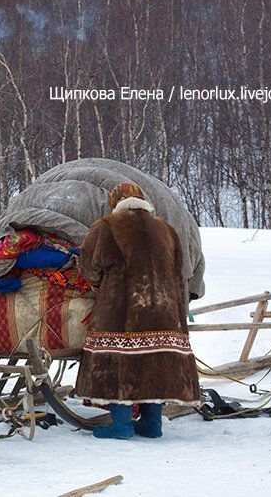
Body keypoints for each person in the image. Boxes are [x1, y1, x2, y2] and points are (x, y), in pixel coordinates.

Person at [76, 182, 201, 439]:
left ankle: (121, 425)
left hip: (123, 305)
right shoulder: (167, 229)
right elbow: (180, 269)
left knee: (119, 359)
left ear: (115, 202)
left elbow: (89, 264)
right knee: (154, 360)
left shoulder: (107, 226)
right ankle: (152, 423)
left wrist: (102, 287)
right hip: (165, 307)